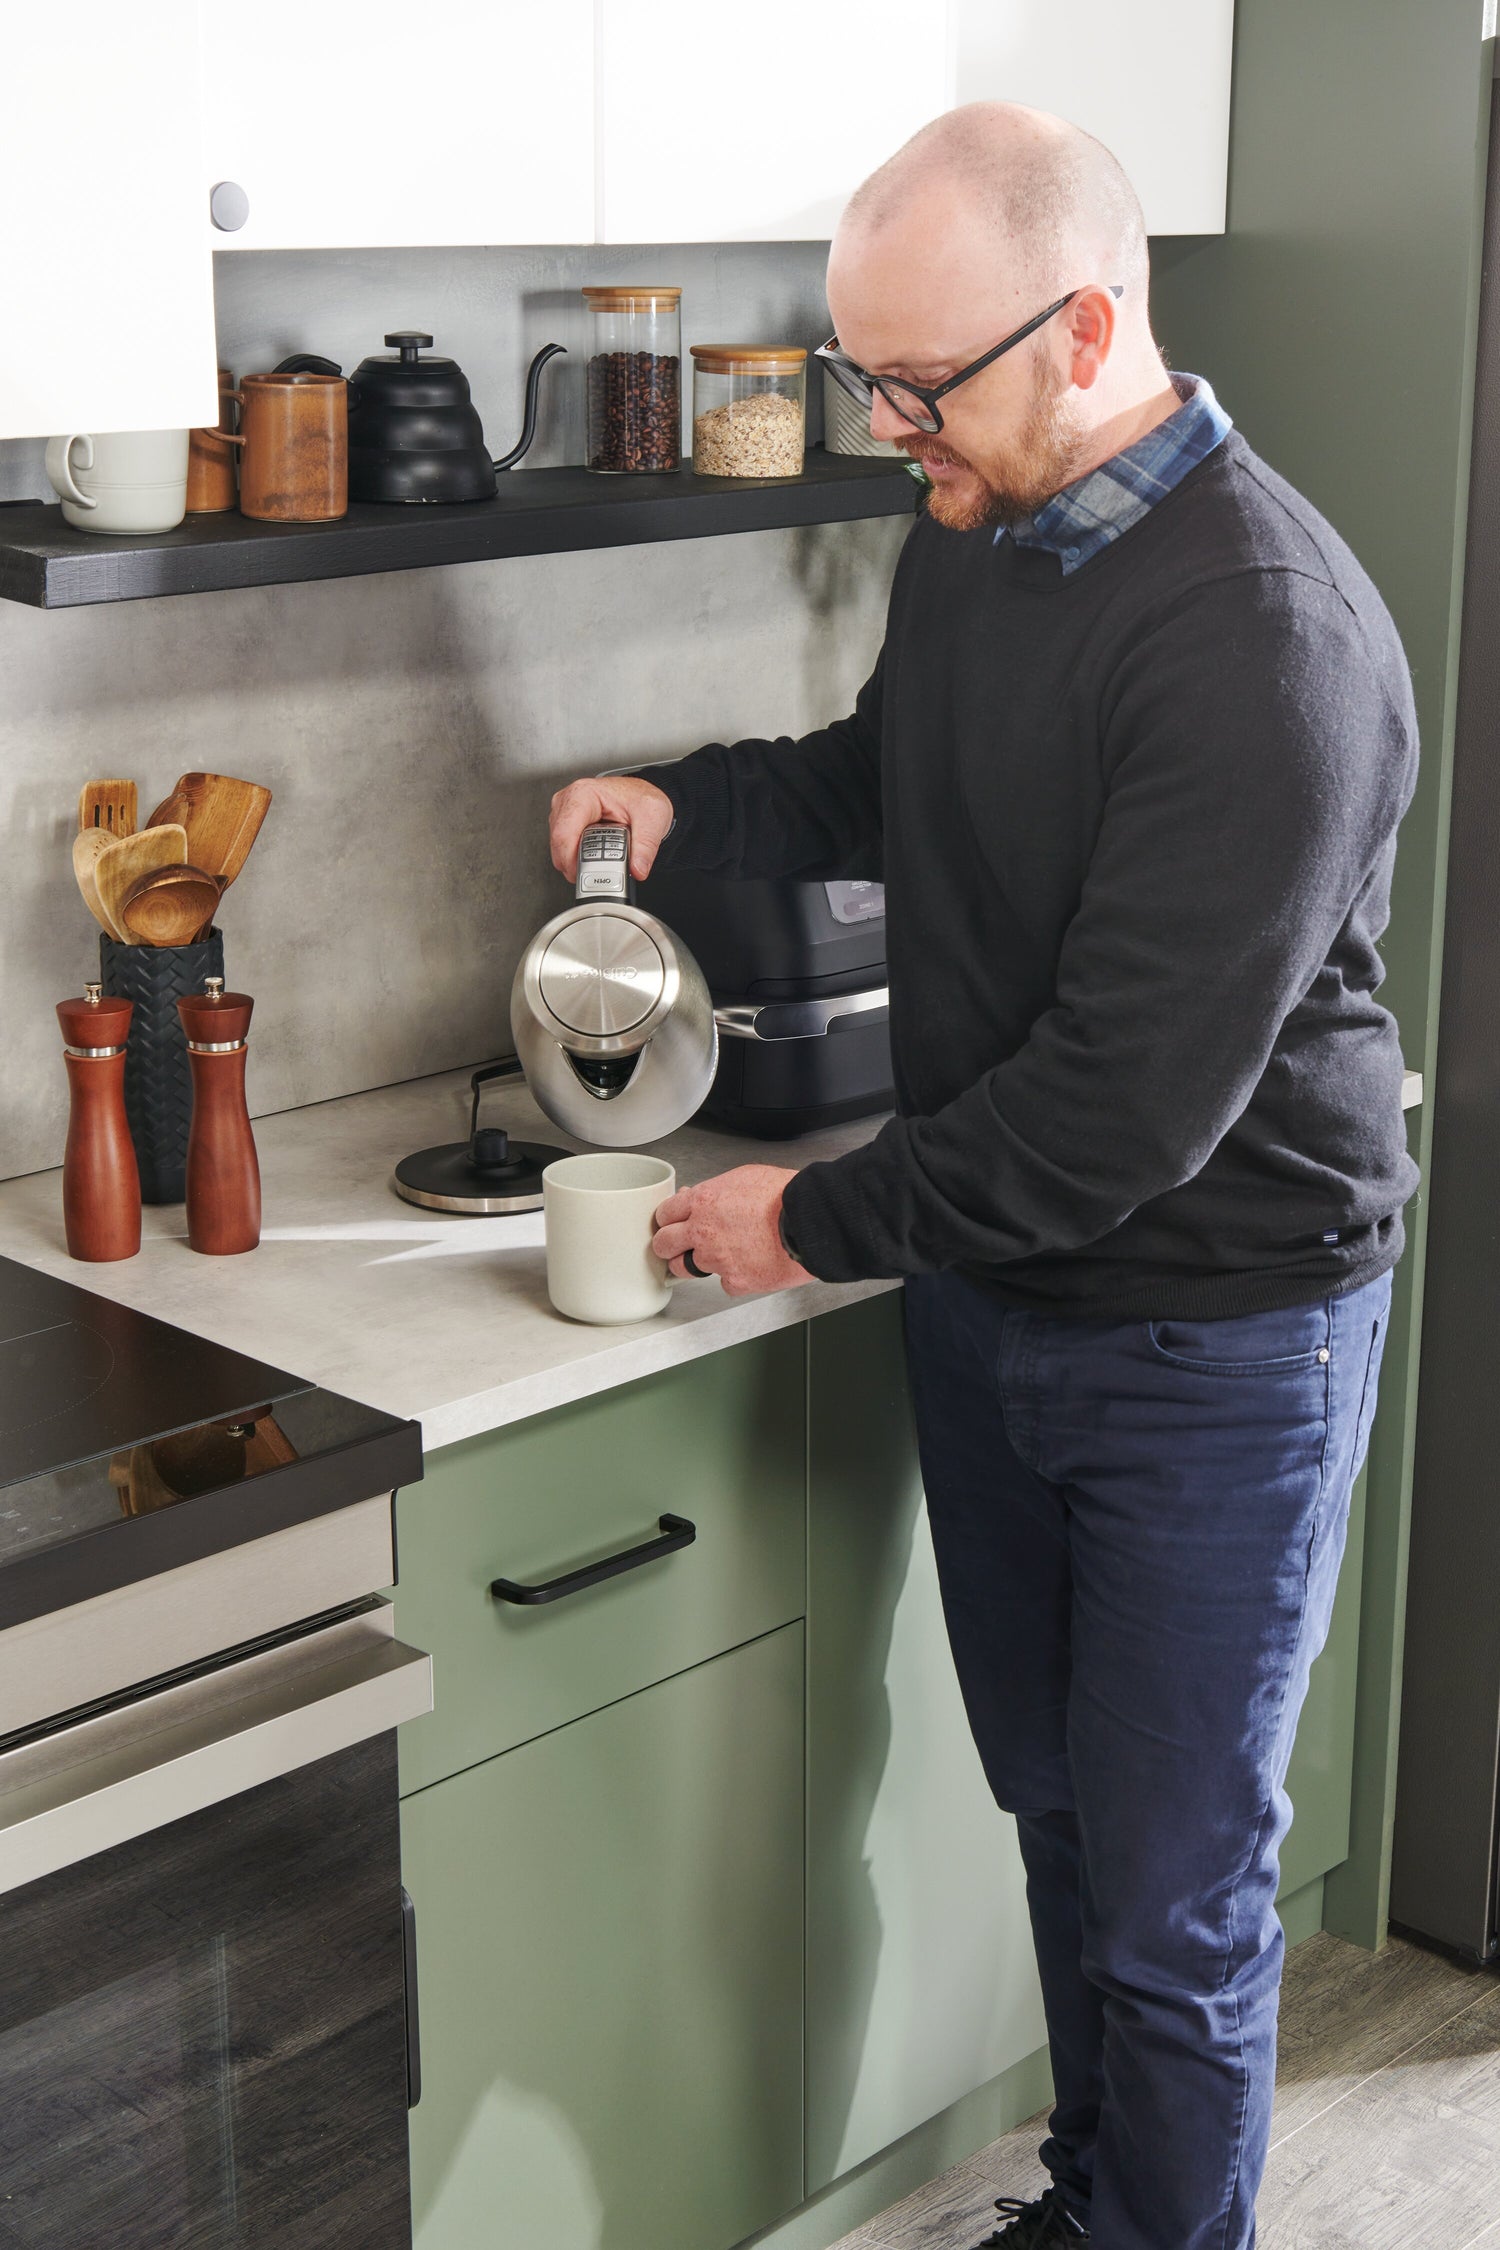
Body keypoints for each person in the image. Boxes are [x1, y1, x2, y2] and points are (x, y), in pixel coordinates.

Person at [548, 102, 1418, 2250]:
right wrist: (686, 804)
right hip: (998, 1298)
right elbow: (892, 769)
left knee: (1176, 1895)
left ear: (1089, 331)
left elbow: (1120, 1112)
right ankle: (1101, 2206)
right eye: (868, 378)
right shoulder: (985, 521)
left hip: (1219, 1337)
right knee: (1060, 1814)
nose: (888, 430)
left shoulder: (1265, 638)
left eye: (919, 387)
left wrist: (811, 1218)